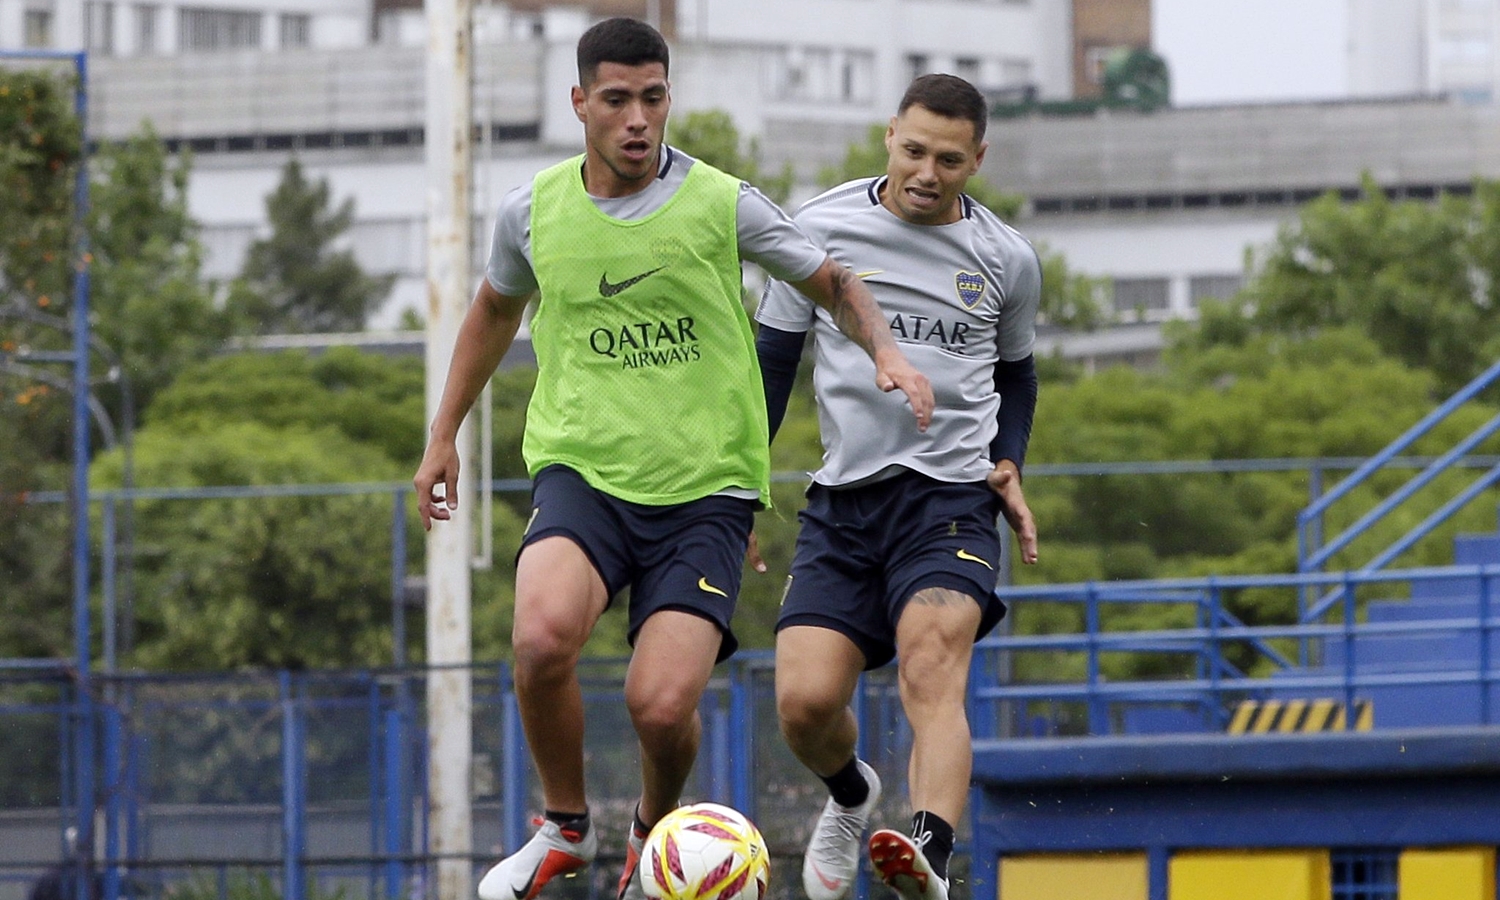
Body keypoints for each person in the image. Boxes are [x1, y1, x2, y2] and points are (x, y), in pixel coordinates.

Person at [412, 17, 934, 900]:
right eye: (616, 100)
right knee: (539, 637)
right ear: (579, 103)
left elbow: (833, 281)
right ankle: (564, 827)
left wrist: (884, 348)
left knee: (659, 705)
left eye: (653, 98)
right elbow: (493, 312)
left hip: (705, 493)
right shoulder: (533, 210)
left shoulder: (720, 203)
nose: (637, 119)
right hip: (583, 470)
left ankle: (652, 827)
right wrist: (442, 436)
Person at [755, 73, 1041, 900]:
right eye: (913, 150)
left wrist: (1010, 459)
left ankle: (930, 852)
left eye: (949, 159)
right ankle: (852, 795)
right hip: (842, 502)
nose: (927, 171)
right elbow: (773, 361)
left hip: (950, 498)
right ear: (889, 137)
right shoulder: (818, 230)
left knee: (930, 668)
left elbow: (1018, 377)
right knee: (805, 705)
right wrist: (737, 481)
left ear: (977, 158)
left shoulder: (1006, 260)